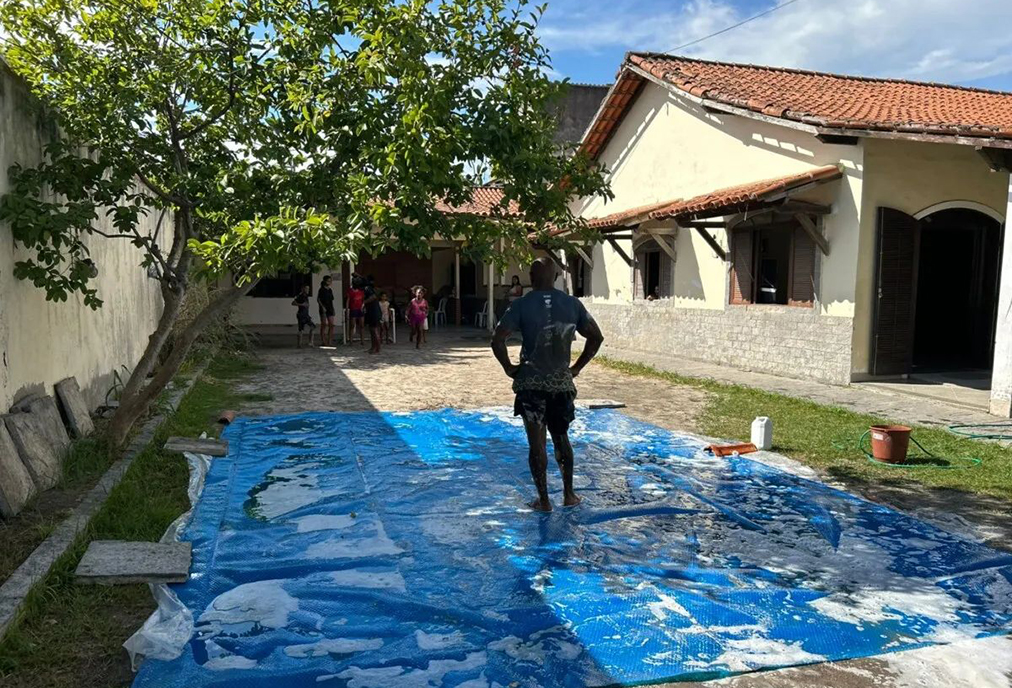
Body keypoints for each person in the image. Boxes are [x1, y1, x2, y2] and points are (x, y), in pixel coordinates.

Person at [491, 258, 604, 512]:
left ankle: (543, 500)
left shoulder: (521, 305)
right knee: (561, 438)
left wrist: (509, 368)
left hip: (531, 382)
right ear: (555, 277)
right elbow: (596, 337)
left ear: (532, 276)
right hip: (560, 383)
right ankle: (569, 494)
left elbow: (497, 339)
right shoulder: (572, 304)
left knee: (537, 444)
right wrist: (575, 368)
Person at [363, 275, 383, 354]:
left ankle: (377, 348)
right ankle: (372, 347)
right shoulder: (370, 288)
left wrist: (363, 302)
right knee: (371, 330)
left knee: (375, 330)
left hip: (374, 312)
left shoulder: (368, 288)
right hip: (371, 311)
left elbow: (373, 297)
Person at [291, 284, 316, 348]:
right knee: (301, 329)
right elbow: (293, 303)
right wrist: (301, 304)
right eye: (306, 288)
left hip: (306, 314)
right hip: (301, 314)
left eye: (308, 289)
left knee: (312, 327)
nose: (308, 290)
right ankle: (299, 344)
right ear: (303, 289)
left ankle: (310, 342)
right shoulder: (300, 296)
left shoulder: (306, 296)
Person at [317, 275, 336, 346]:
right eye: (328, 281)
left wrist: (333, 309)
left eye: (330, 281)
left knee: (331, 325)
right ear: (325, 281)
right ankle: (323, 340)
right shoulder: (321, 290)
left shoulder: (330, 290)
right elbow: (318, 300)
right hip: (323, 309)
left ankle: (330, 341)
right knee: (324, 324)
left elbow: (331, 300)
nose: (330, 282)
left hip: (330, 308)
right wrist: (322, 307)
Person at [347, 277, 366, 345]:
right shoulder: (350, 291)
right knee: (352, 325)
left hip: (360, 309)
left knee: (362, 325)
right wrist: (347, 309)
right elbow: (348, 300)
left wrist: (364, 307)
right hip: (353, 309)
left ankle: (362, 340)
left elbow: (363, 300)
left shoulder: (361, 291)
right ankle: (351, 340)